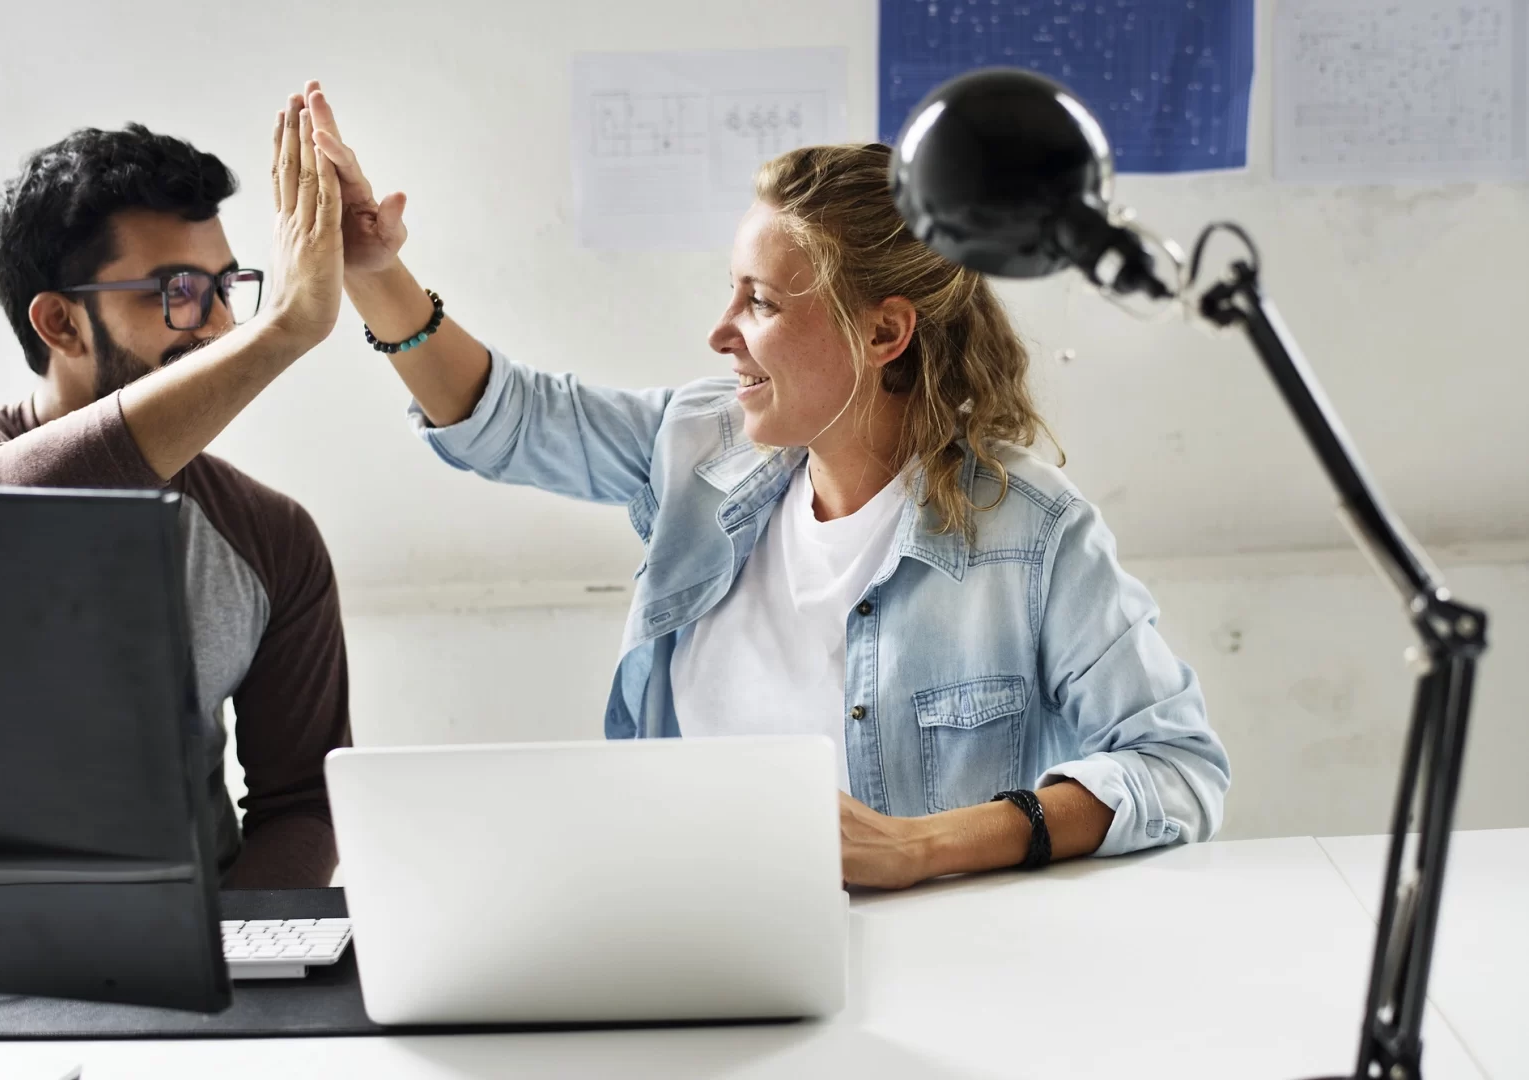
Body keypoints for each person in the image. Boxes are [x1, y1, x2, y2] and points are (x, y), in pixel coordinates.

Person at [305, 82, 1230, 889]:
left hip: (946, 961)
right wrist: (376, 274)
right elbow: (504, 418)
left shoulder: (1033, 534)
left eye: (758, 302)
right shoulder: (696, 451)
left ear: (883, 334)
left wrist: (922, 846)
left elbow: (1174, 767)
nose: (719, 333)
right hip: (697, 931)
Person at [0, 98, 350, 888]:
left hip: (188, 972)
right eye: (175, 289)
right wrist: (280, 331)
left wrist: (228, 953)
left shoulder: (271, 537)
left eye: (227, 287)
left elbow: (303, 803)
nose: (218, 325)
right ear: (61, 324)